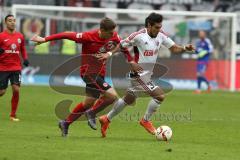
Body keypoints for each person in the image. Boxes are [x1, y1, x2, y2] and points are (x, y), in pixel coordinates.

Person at [95, 12, 195, 137]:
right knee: (160, 96)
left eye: (160, 27)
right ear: (149, 25)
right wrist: (109, 54)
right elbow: (121, 45)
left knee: (129, 98)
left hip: (147, 75)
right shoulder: (138, 36)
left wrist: (185, 48)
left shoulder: (161, 35)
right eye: (156, 27)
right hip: (138, 74)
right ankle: (145, 120)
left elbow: (174, 48)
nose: (159, 30)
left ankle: (106, 119)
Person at [31, 17, 132, 137]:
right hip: (88, 73)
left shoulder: (113, 36)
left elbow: (122, 46)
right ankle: (92, 114)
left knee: (88, 103)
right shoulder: (88, 36)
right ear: (102, 30)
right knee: (112, 96)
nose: (112, 34)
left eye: (113, 32)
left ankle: (65, 123)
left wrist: (131, 61)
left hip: (100, 74)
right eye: (110, 32)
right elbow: (66, 35)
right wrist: (44, 39)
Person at [0, 14, 29, 121]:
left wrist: (25, 58)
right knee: (2, 92)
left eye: (13, 20)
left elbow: (23, 49)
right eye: (10, 20)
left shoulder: (20, 36)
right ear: (5, 22)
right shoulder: (1, 36)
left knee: (16, 90)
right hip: (2, 68)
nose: (12, 22)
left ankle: (13, 115)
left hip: (16, 67)